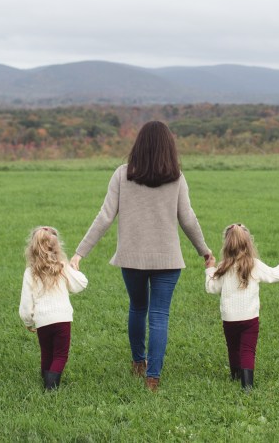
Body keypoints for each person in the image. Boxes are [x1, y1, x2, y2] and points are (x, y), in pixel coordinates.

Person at [71, 121, 214, 392]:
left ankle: (138, 362)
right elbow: (188, 219)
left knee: (138, 308)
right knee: (159, 315)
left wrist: (80, 253)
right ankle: (153, 378)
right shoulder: (177, 177)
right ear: (169, 147)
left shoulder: (122, 174)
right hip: (168, 259)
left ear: (138, 145)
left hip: (131, 258)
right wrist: (204, 250)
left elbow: (104, 217)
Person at [205, 223, 279, 391]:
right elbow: (276, 274)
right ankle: (247, 386)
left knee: (233, 348)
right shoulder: (254, 264)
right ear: (248, 243)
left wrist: (210, 268)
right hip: (250, 318)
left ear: (226, 244)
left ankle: (235, 376)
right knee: (247, 350)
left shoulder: (223, 267)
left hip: (229, 319)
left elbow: (211, 288)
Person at [18, 226, 89, 391]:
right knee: (60, 355)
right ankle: (50, 388)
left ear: (33, 248)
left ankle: (46, 379)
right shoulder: (62, 267)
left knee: (46, 352)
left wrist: (28, 321)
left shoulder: (30, 272)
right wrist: (73, 268)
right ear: (57, 247)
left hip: (42, 320)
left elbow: (26, 302)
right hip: (62, 319)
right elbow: (81, 283)